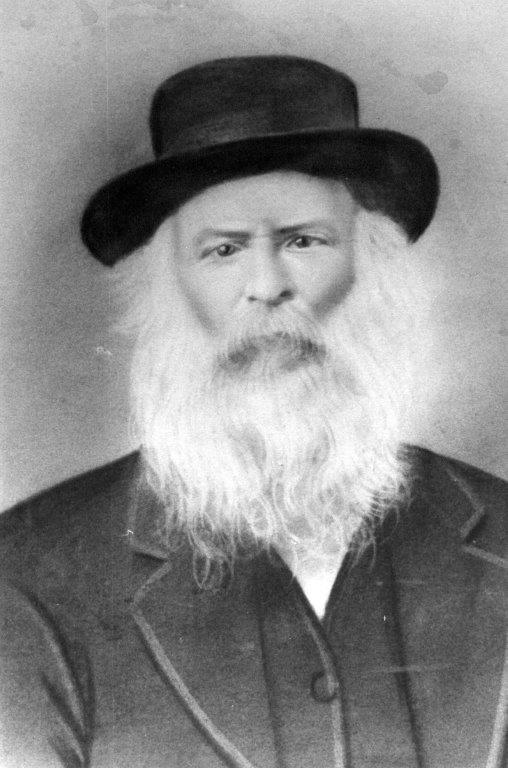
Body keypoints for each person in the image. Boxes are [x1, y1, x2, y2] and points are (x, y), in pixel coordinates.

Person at [0, 56, 506, 768]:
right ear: (168, 288)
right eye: (224, 250)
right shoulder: (26, 578)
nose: (267, 286)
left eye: (303, 241)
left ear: (369, 267)